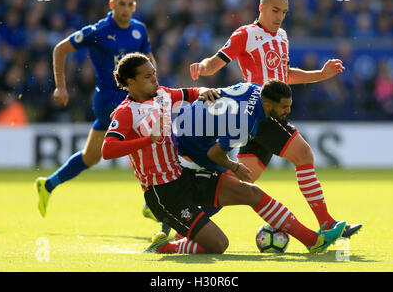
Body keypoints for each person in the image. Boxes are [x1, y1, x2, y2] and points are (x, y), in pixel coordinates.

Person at [101, 52, 346, 254]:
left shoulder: (162, 94)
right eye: (147, 76)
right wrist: (146, 139)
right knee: (219, 245)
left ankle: (313, 240)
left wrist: (203, 92)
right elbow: (108, 149)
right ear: (131, 83)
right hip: (163, 190)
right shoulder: (126, 112)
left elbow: (189, 93)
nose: (155, 79)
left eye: (154, 73)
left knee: (250, 192)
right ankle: (165, 246)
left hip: (184, 174)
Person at [189, 0, 361, 237]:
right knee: (303, 154)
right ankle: (326, 222)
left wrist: (321, 75)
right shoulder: (245, 34)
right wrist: (202, 67)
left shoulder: (282, 36)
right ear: (261, 8)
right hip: (260, 111)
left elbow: (286, 74)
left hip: (271, 115)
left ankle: (184, 217)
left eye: (284, 12)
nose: (280, 16)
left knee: (239, 183)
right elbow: (216, 61)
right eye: (275, 10)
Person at [34, 0, 157, 218]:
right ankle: (153, 204)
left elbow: (149, 60)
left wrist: (155, 85)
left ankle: (47, 185)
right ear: (112, 5)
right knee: (148, 141)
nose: (126, 8)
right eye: (121, 4)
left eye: (130, 5)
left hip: (130, 100)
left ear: (135, 6)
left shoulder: (139, 30)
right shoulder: (98, 31)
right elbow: (60, 49)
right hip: (110, 101)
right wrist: (61, 86)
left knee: (90, 157)